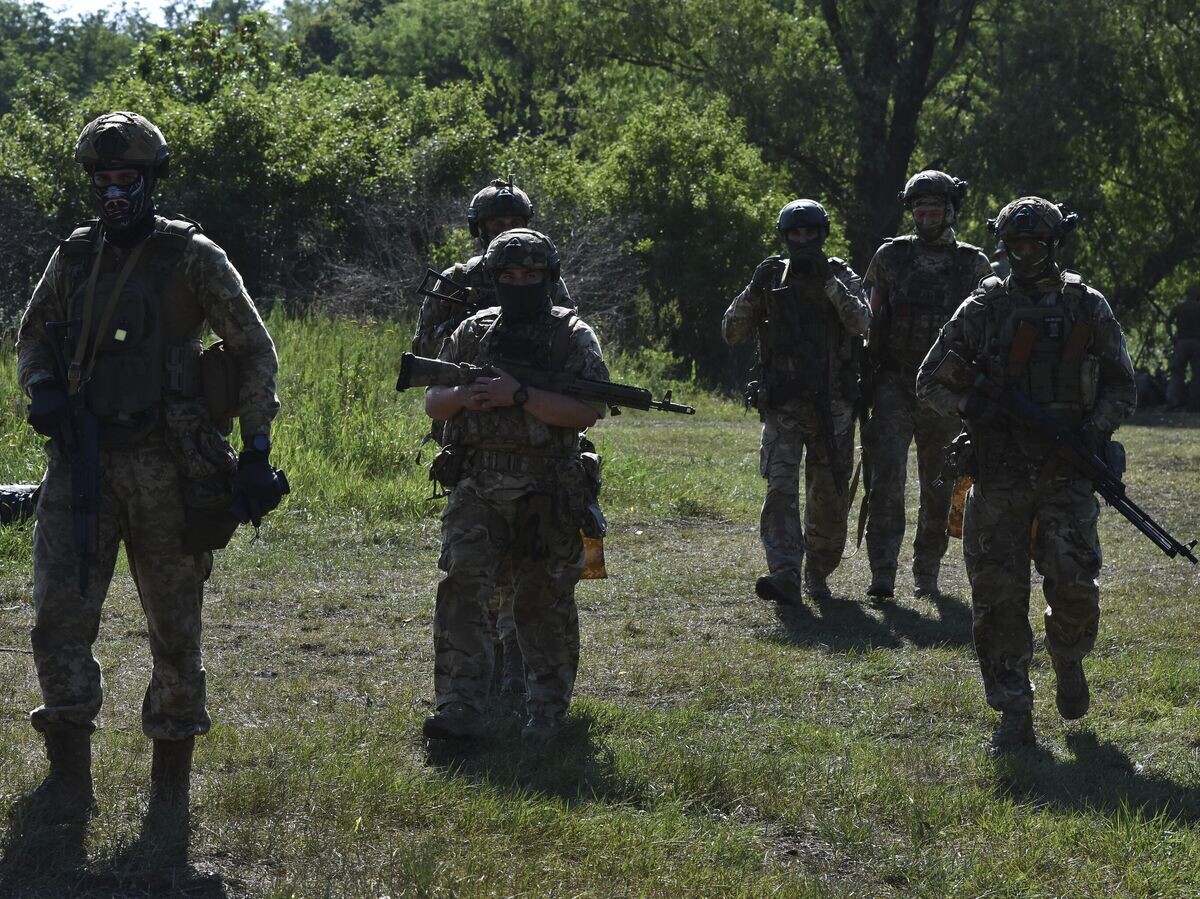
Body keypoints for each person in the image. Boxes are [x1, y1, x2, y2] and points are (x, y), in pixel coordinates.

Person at [16, 112, 283, 822]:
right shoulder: (75, 256)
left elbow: (253, 350)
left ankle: (170, 782)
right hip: (81, 465)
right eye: (103, 180)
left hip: (169, 464)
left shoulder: (192, 257)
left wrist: (256, 450)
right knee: (58, 617)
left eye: (126, 179)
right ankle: (68, 775)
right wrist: (43, 389)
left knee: (175, 627)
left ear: (151, 181)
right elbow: (32, 335)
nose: (114, 193)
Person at [916, 197, 1136, 751]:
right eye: (1017, 244)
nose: (1026, 253)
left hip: (1066, 474)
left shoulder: (1086, 305)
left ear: (1053, 244)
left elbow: (1121, 384)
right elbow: (930, 379)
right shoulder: (983, 307)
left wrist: (1092, 431)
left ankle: (1068, 657)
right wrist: (970, 406)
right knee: (997, 601)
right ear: (1004, 246)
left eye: (1036, 243)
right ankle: (1013, 709)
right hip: (999, 476)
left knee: (1076, 587)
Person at [422, 228, 607, 743]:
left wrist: (519, 395)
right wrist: (465, 397)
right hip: (476, 485)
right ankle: (458, 706)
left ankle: (546, 712)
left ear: (549, 277)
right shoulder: (473, 330)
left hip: (548, 487)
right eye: (509, 274)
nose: (520, 283)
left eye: (531, 274)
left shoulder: (572, 335)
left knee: (543, 600)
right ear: (494, 278)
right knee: (462, 588)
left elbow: (588, 410)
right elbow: (433, 399)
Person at [413, 177, 572, 698]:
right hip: (471, 424)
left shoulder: (545, 276)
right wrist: (471, 349)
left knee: (531, 552)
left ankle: (515, 661)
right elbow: (425, 355)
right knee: (475, 554)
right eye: (495, 222)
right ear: (478, 228)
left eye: (513, 220)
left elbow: (566, 344)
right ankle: (481, 666)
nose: (504, 228)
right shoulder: (456, 283)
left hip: (533, 426)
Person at [722, 199, 870, 604]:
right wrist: (754, 289)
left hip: (832, 408)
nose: (803, 241)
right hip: (783, 406)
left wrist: (829, 283)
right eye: (795, 234)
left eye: (809, 233)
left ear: (822, 235)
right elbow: (731, 331)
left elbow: (862, 323)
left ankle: (817, 574)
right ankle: (784, 572)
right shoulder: (772, 276)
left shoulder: (840, 274)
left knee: (829, 496)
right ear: (785, 237)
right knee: (779, 492)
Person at [862, 170, 993, 598]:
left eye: (935, 207)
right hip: (894, 383)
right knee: (886, 482)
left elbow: (985, 331)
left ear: (950, 210)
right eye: (920, 208)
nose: (927, 215)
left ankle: (926, 574)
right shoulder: (891, 256)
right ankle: (882, 573)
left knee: (939, 487)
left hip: (944, 391)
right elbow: (871, 317)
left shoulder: (973, 264)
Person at [411, 177, 571, 358]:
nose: (507, 232)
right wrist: (460, 323)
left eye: (515, 224)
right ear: (480, 229)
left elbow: (570, 339)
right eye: (498, 225)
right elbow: (421, 352)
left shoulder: (546, 280)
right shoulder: (457, 279)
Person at [1166, 285, 1200, 411]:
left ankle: (1173, 401)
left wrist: (1172, 337)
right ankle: (1194, 404)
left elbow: (1168, 322)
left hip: (1181, 342)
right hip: (1197, 343)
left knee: (1177, 373)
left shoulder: (1179, 307)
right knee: (1197, 374)